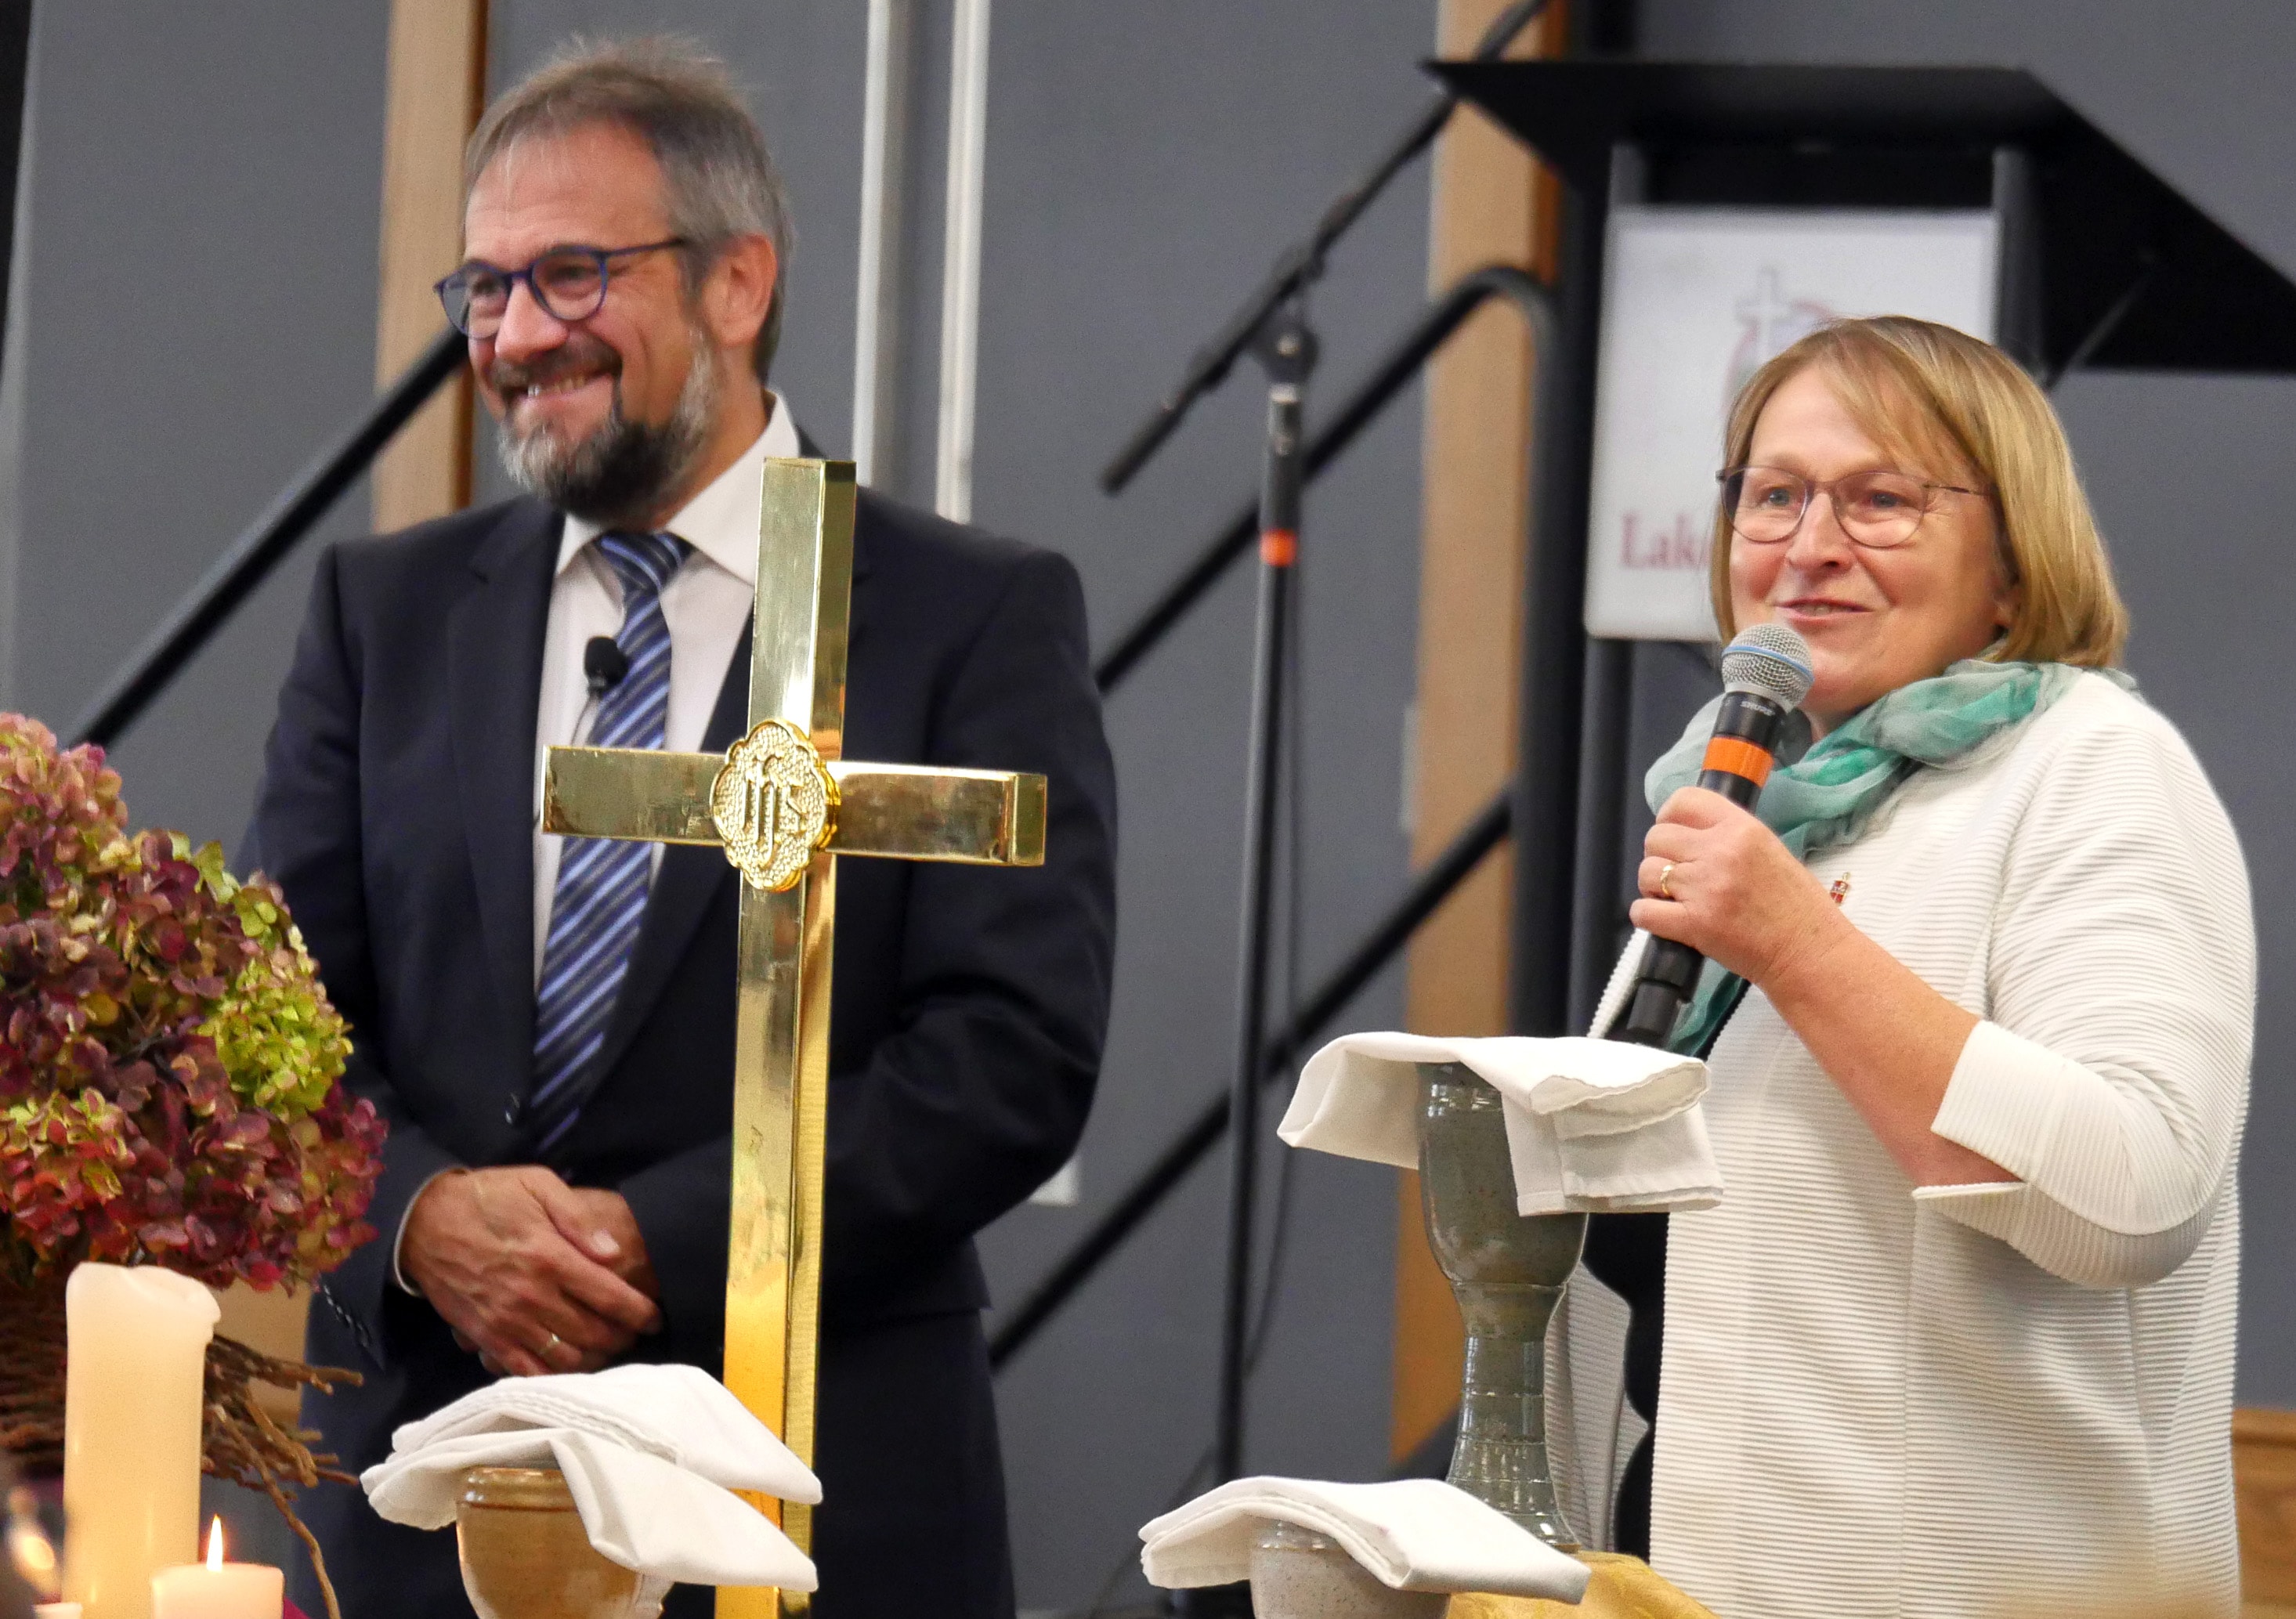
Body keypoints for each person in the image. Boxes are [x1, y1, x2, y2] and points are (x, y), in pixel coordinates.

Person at [241, 38, 1117, 1619]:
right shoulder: (386, 616)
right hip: (428, 1482)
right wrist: (427, 1212)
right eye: (485, 290)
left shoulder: (962, 615)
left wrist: (648, 1237)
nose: (514, 335)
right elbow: (274, 1026)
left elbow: (1010, 1046)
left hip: (812, 1473)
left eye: (570, 275)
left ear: (737, 283)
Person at [1593, 316, 2249, 1616]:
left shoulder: (2093, 766)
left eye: (1880, 500)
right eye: (1772, 495)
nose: (1810, 544)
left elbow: (2136, 1189)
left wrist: (1792, 941)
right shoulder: (1763, 804)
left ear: (2013, 564)